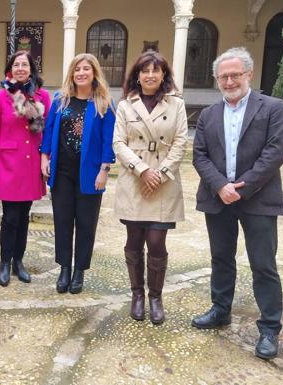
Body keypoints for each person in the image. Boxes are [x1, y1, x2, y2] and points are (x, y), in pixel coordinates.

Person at [191, 47, 283, 360]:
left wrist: (241, 189)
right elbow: (200, 155)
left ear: (248, 74)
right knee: (221, 258)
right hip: (218, 197)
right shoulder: (207, 114)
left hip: (258, 198)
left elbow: (275, 153)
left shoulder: (272, 107)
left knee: (263, 264)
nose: (229, 81)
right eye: (223, 76)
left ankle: (270, 328)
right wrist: (220, 185)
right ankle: (221, 310)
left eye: (235, 75)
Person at [113, 51, 187, 324]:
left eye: (156, 70)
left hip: (163, 182)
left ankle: (155, 296)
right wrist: (142, 171)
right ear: (137, 75)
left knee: (156, 241)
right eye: (145, 71)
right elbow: (118, 143)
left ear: (164, 74)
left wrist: (160, 174)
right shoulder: (125, 105)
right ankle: (137, 295)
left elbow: (181, 142)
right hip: (135, 179)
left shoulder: (176, 104)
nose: (150, 75)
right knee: (134, 240)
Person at [40, 53, 115, 294]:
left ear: (94, 73)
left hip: (91, 174)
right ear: (72, 74)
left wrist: (105, 169)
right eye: (77, 69)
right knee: (62, 222)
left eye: (86, 69)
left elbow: (108, 140)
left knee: (86, 223)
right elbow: (49, 131)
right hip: (62, 173)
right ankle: (64, 268)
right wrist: (44, 157)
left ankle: (79, 270)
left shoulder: (103, 103)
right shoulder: (60, 100)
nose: (81, 73)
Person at [0, 51, 51, 287]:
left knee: (25, 216)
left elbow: (44, 131)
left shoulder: (42, 96)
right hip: (8, 164)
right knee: (10, 217)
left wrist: (46, 159)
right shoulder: (0, 96)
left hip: (31, 163)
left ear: (32, 69)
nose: (21, 68)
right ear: (10, 69)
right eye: (16, 65)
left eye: (25, 64)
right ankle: (4, 262)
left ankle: (18, 262)